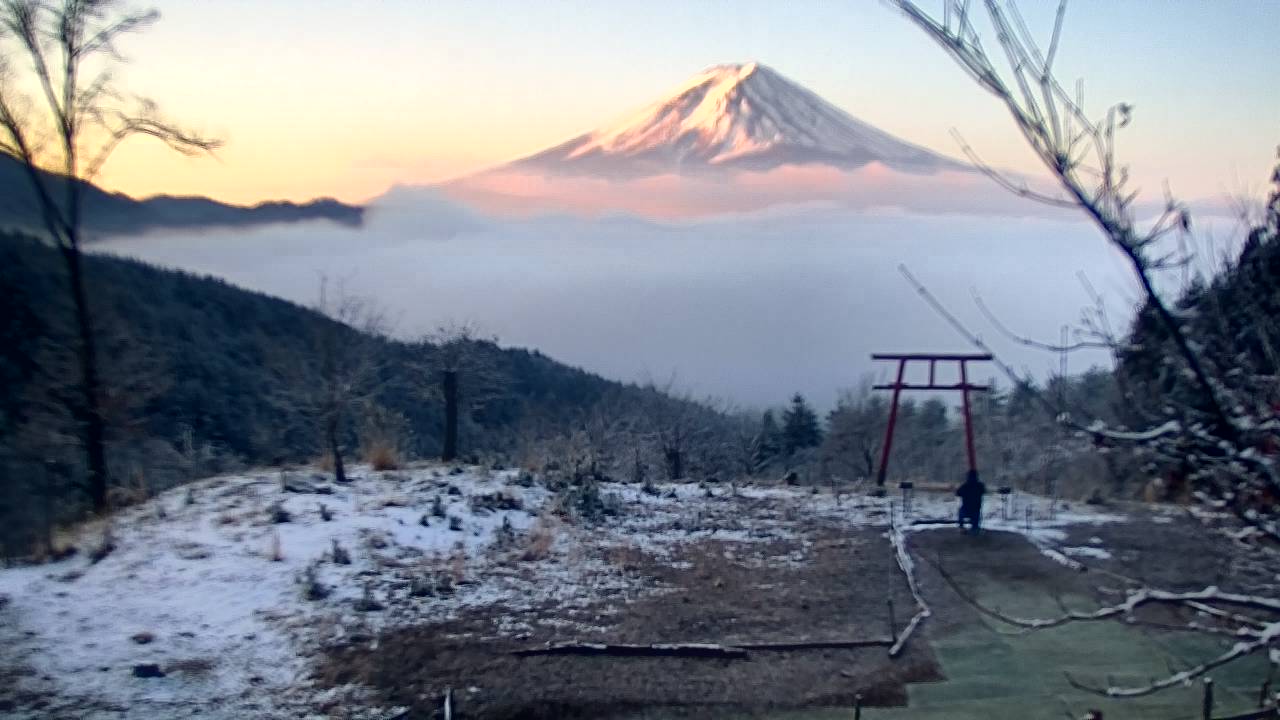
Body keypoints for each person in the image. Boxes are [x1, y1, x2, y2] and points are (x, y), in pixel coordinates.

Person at [956, 470, 986, 534]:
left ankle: (961, 527)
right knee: (976, 515)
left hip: (966, 508)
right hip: (976, 509)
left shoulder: (965, 486)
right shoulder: (980, 485)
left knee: (960, 512)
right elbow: (984, 491)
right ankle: (975, 528)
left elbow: (958, 493)